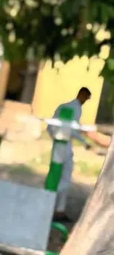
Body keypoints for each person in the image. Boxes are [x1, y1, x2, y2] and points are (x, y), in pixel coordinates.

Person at [48, 87, 92, 223]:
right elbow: (72, 130)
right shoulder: (75, 108)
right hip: (64, 145)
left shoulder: (63, 106)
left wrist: (56, 139)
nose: (85, 101)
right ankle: (48, 201)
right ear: (81, 95)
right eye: (86, 97)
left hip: (59, 144)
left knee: (56, 176)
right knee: (64, 178)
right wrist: (85, 141)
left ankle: (59, 210)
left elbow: (50, 127)